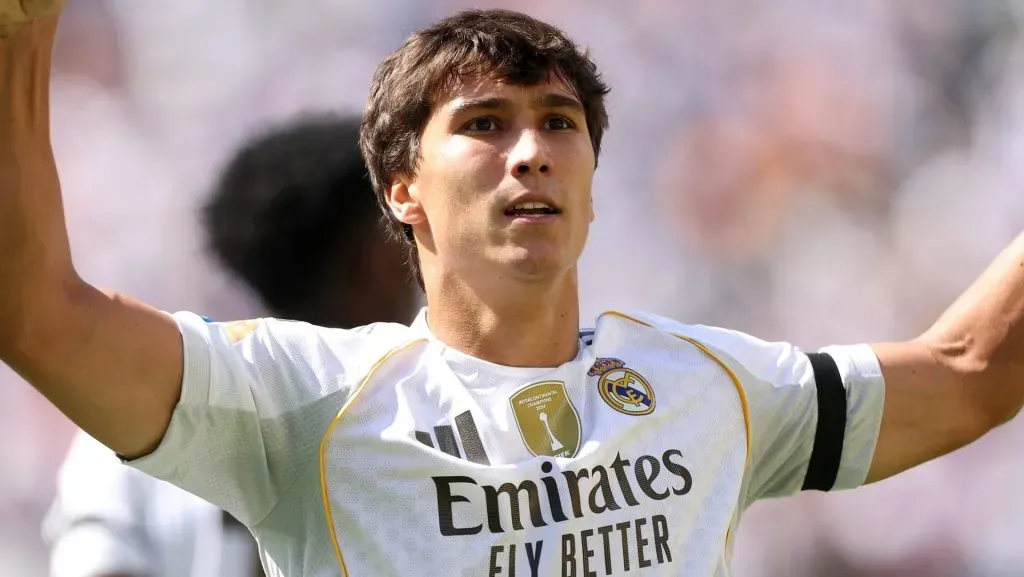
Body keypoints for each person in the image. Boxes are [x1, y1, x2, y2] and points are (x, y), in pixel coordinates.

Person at [2, 6, 1024, 576]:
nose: (530, 151)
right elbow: (36, 314)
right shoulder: (302, 397)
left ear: (589, 181)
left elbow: (972, 371)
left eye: (560, 122)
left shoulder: (710, 385)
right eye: (483, 124)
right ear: (401, 190)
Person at [42, 114, 418, 577]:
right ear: (361, 264)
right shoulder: (424, 416)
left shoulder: (133, 408)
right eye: (398, 233)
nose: (413, 254)